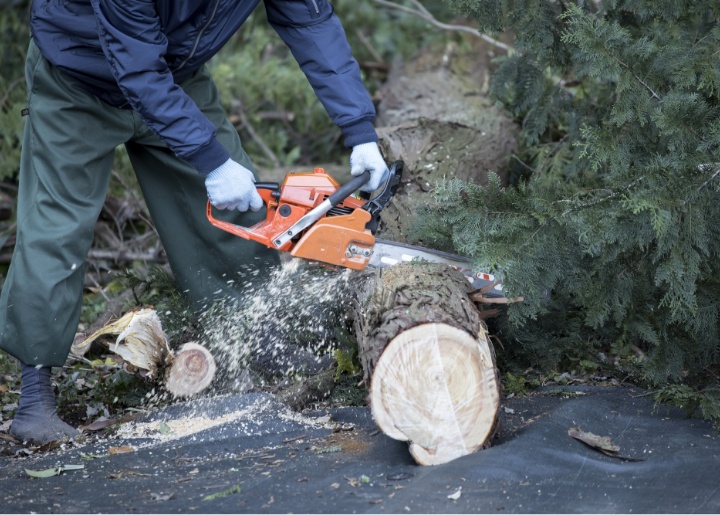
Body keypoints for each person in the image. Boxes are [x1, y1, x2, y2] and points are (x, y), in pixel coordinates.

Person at [0, 0, 389, 445]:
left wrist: (358, 128)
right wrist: (210, 160)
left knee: (237, 214)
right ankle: (34, 397)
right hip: (78, 78)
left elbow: (308, 17)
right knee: (56, 227)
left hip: (173, 76)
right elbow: (137, 70)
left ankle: (255, 336)